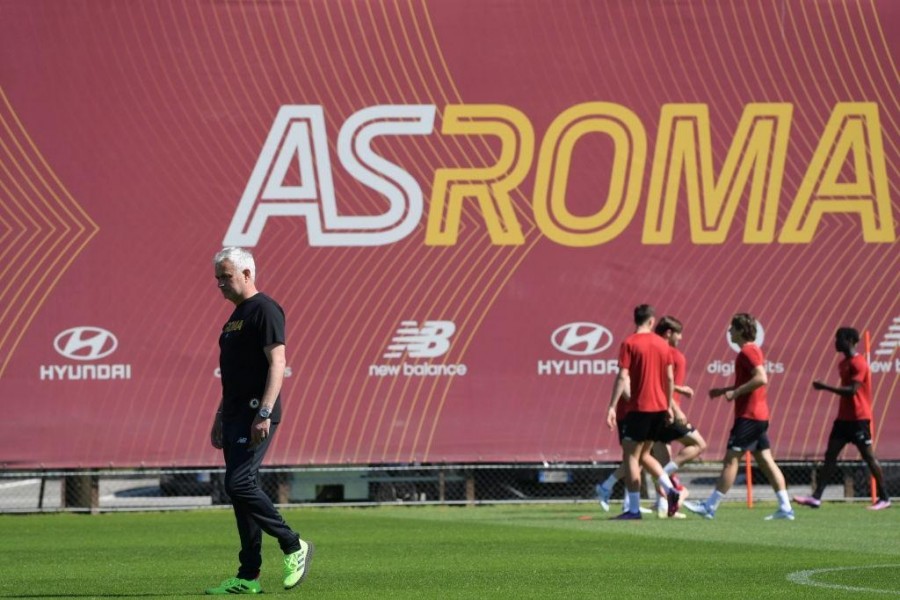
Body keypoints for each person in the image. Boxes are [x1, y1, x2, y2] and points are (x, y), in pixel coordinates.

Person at [205, 247, 314, 595]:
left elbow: (277, 363)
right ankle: (248, 575)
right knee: (241, 493)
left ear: (247, 274)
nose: (220, 284)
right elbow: (234, 376)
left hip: (256, 414)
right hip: (235, 415)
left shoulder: (264, 309)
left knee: (238, 485)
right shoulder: (234, 318)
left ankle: (293, 545)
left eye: (227, 276)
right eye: (218, 278)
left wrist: (264, 412)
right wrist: (221, 414)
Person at [684, 313, 794, 520]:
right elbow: (752, 382)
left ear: (741, 330)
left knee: (730, 461)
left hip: (750, 417)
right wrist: (725, 390)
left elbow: (761, 378)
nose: (729, 332)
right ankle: (786, 508)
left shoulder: (747, 352)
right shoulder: (752, 350)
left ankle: (710, 507)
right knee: (766, 461)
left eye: (732, 328)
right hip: (759, 417)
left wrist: (734, 393)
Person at [794, 327, 891, 510]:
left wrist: (824, 387)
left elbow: (852, 391)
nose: (835, 343)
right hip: (843, 419)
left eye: (838, 339)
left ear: (849, 340)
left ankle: (884, 497)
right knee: (830, 455)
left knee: (869, 457)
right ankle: (816, 497)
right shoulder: (843, 363)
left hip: (859, 419)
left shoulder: (859, 363)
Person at [605, 304, 680, 519]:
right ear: (651, 321)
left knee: (631, 456)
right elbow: (669, 378)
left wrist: (611, 406)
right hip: (658, 410)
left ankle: (634, 509)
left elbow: (622, 377)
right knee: (644, 455)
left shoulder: (629, 343)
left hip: (639, 408)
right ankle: (672, 490)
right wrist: (668, 406)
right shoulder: (662, 344)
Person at [649, 316, 707, 518]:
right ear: (668, 333)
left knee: (658, 458)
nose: (681, 337)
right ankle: (667, 483)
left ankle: (664, 506)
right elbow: (663, 382)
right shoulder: (667, 352)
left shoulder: (652, 349)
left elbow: (659, 381)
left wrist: (680, 391)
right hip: (666, 411)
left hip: (654, 411)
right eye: (678, 333)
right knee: (699, 444)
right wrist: (674, 407)